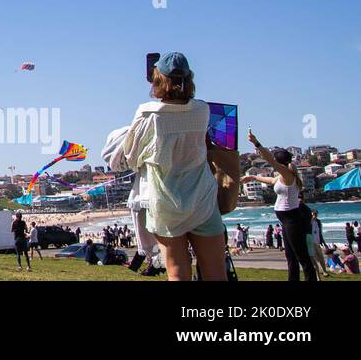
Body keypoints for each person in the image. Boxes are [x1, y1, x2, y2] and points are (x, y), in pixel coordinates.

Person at [114, 52, 226, 282]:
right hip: (202, 198)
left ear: (157, 79)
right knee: (216, 274)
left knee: (177, 271)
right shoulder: (203, 110)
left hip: (165, 202)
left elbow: (132, 157)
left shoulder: (147, 113)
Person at [241, 133, 317, 282]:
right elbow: (270, 180)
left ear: (279, 162)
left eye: (275, 160)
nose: (273, 162)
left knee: (302, 257)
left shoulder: (287, 174)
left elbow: (269, 159)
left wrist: (256, 143)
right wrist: (253, 177)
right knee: (290, 257)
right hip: (287, 221)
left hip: (292, 220)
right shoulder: (283, 176)